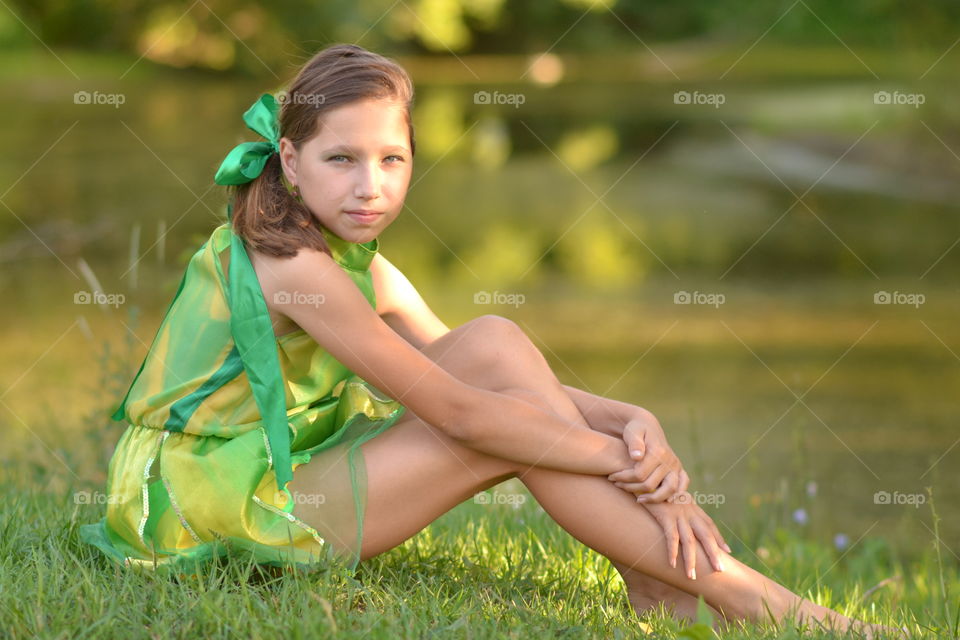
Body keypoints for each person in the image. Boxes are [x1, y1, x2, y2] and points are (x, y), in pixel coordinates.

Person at [80, 43, 892, 636]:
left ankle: (662, 585)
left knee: (495, 336)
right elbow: (463, 416)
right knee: (504, 434)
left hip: (254, 468)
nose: (371, 186)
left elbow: (469, 364)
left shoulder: (351, 255)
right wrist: (640, 474)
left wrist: (624, 417)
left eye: (392, 159)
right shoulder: (296, 267)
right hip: (206, 506)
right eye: (342, 159)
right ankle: (753, 600)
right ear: (288, 161)